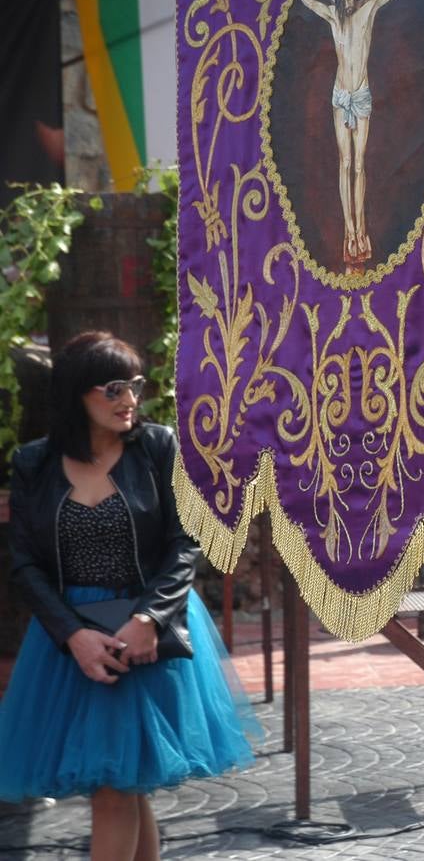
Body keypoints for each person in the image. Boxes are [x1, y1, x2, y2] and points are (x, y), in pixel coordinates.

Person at [0, 332, 259, 861]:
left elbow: (186, 542)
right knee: (122, 787)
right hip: (72, 641)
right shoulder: (34, 463)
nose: (129, 400)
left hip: (145, 631)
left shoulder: (158, 447)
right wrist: (74, 636)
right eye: (113, 388)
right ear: (77, 393)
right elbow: (23, 563)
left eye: (134, 385)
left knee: (120, 788)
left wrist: (148, 618)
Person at [297, 0, 421, 273]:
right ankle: (348, 232)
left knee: (360, 164)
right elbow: (309, 1)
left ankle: (360, 233)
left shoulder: (369, 10)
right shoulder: (334, 18)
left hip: (361, 94)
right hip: (340, 95)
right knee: (346, 162)